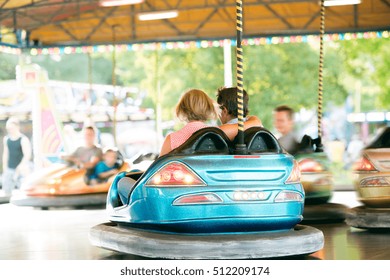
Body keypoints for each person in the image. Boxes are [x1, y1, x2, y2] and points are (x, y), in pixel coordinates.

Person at [159, 88, 262, 156]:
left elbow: (158, 170)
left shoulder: (171, 139)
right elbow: (252, 125)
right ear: (208, 108)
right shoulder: (218, 133)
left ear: (181, 109)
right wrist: (253, 119)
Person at [2, 117, 32, 195]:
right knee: (6, 190)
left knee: (23, 189)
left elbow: (27, 155)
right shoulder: (7, 139)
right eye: (8, 129)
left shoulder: (23, 139)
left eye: (12, 128)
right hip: (10, 168)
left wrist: (20, 166)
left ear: (17, 127)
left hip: (21, 169)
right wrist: (5, 167)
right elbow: (5, 154)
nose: (10, 130)